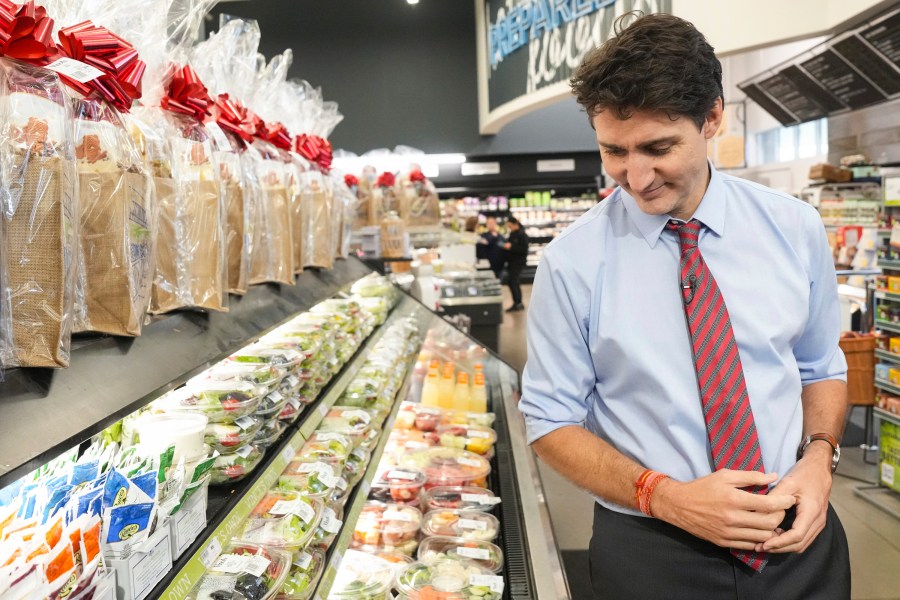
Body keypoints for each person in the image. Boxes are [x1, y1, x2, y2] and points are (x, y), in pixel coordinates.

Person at [518, 12, 849, 600]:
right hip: (651, 550)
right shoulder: (573, 263)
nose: (635, 176)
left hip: (798, 537)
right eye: (613, 151)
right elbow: (550, 420)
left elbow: (821, 368)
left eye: (658, 147)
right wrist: (665, 496)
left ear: (712, 117)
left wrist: (819, 460)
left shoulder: (794, 228)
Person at [503, 217, 529, 312]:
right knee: (514, 281)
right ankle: (518, 302)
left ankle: (517, 303)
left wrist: (511, 247)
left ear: (514, 224)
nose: (509, 228)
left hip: (518, 263)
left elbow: (523, 250)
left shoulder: (522, 235)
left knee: (512, 281)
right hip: (512, 262)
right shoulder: (512, 234)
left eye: (510, 226)